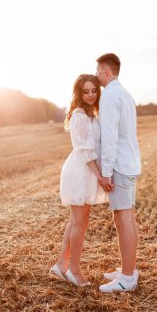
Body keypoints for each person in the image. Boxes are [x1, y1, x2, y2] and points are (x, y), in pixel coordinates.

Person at [49, 74, 109, 287]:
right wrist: (100, 176)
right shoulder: (79, 115)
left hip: (85, 171)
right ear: (79, 93)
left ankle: (60, 265)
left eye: (94, 90)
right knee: (80, 224)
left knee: (76, 222)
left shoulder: (90, 113)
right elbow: (86, 151)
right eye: (86, 91)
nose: (91, 95)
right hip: (80, 171)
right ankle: (74, 270)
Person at [96, 53, 141, 293]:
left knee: (123, 219)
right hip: (129, 163)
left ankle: (127, 278)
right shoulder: (125, 94)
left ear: (105, 71)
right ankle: (129, 268)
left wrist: (105, 172)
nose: (96, 76)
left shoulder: (110, 95)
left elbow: (109, 137)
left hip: (119, 167)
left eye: (97, 71)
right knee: (126, 217)